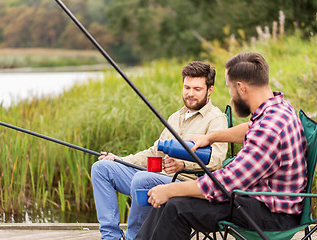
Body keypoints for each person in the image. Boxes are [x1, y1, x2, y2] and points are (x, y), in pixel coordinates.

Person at [135, 52, 307, 240]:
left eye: (230, 89)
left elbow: (226, 184)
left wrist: (170, 189)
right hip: (263, 201)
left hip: (271, 215)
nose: (230, 96)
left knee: (176, 207)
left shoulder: (269, 130)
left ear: (241, 88)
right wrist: (211, 137)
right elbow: (251, 128)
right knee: (174, 203)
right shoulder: (279, 109)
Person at [91, 61, 228, 240]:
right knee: (102, 169)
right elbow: (154, 152)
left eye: (197, 89)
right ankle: (111, 237)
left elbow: (217, 159)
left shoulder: (216, 119)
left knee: (142, 179)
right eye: (187, 87)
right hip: (157, 177)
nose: (190, 93)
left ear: (210, 90)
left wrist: (183, 164)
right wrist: (118, 159)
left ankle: (135, 237)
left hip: (186, 184)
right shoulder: (175, 117)